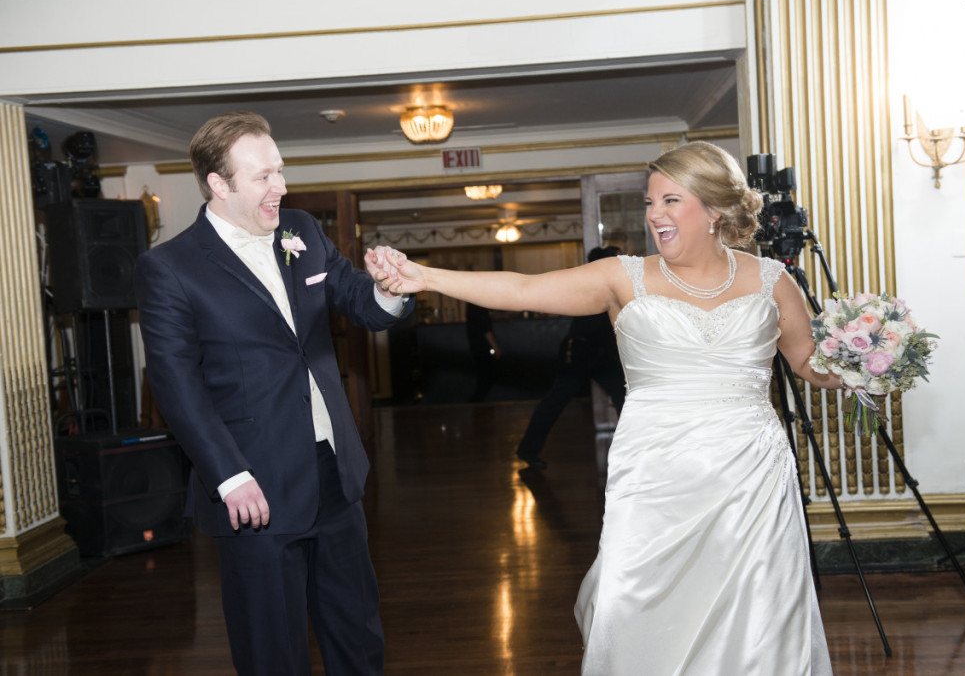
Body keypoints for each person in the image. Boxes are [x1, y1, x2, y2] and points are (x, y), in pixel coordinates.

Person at [369, 141, 841, 674]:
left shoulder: (773, 280)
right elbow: (523, 288)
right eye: (649, 203)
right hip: (656, 469)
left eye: (669, 200)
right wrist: (426, 277)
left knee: (758, 601)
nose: (654, 215)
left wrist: (864, 363)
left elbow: (807, 361)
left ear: (714, 209)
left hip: (750, 471)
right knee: (632, 597)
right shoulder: (624, 276)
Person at [134, 111, 412, 676]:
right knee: (272, 652)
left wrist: (386, 288)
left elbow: (358, 300)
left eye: (279, 171)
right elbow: (176, 384)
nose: (280, 187)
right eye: (263, 176)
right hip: (253, 491)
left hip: (334, 473)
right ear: (219, 183)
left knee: (357, 636)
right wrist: (229, 476)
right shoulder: (170, 268)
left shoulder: (302, 232)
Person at [515, 245, 626, 470]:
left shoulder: (606, 286)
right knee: (556, 401)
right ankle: (528, 450)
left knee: (623, 399)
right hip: (579, 354)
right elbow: (599, 330)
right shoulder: (596, 287)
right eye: (617, 260)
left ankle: (635, 451)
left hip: (598, 354)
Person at [464, 302, 502, 402]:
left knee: (484, 378)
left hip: (477, 345)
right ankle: (476, 404)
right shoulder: (477, 304)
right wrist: (495, 347)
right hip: (482, 346)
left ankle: (477, 405)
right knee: (486, 378)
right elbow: (486, 328)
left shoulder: (472, 303)